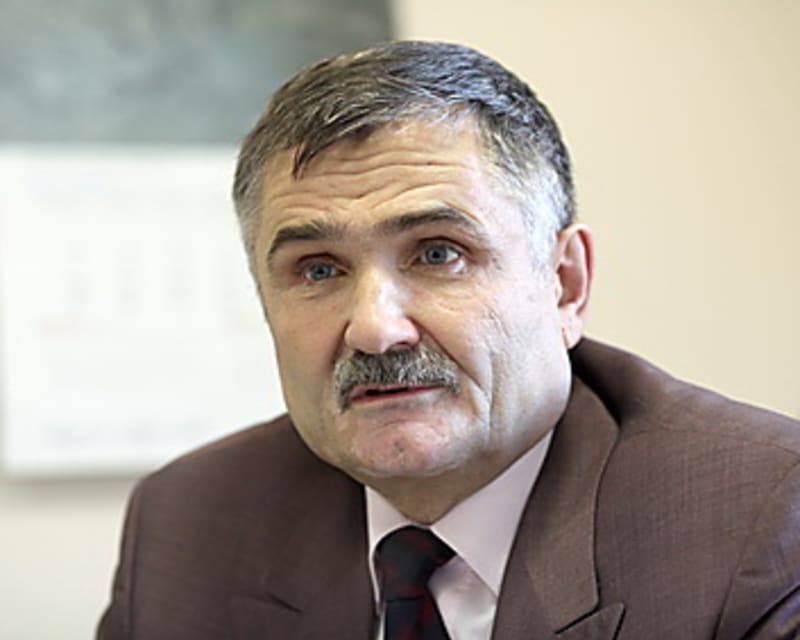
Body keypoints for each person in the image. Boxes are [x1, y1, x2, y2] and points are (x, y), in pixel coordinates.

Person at [97, 41, 800, 640]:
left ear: (565, 284)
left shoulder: (763, 520)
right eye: (318, 269)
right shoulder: (187, 525)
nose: (375, 329)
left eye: (438, 254)